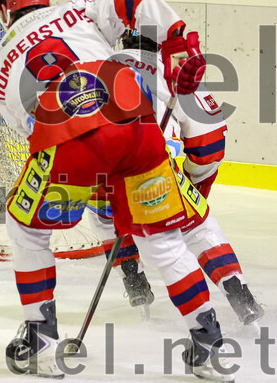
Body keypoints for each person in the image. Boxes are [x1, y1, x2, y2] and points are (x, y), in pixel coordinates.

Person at [0, 0, 233, 382]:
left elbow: (27, 128)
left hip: (71, 139)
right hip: (136, 126)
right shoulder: (80, 8)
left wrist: (85, 172)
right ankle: (209, 343)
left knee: (25, 228)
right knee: (163, 241)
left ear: (2, 9)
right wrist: (181, 44)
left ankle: (41, 341)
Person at [85, 29, 262, 325]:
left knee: (103, 217)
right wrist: (192, 187)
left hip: (97, 173)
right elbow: (210, 146)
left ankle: (134, 280)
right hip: (151, 175)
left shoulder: (95, 64)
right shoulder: (176, 74)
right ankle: (237, 294)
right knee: (198, 228)